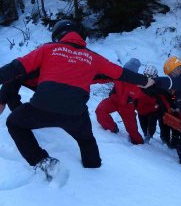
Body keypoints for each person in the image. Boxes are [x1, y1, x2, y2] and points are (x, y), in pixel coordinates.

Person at [0, 19, 154, 181]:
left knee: (14, 123)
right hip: (75, 114)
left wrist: (2, 99)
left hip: (42, 107)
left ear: (58, 36)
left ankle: (43, 161)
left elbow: (15, 68)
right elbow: (121, 74)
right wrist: (145, 81)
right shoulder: (93, 58)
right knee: (86, 139)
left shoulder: (48, 49)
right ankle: (94, 168)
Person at [95, 58, 144, 145]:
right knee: (100, 110)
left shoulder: (138, 82)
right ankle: (112, 128)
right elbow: (104, 77)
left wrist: (132, 101)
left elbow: (140, 97)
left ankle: (140, 145)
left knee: (133, 131)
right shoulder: (118, 74)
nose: (126, 74)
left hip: (127, 107)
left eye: (128, 72)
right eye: (125, 70)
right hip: (114, 100)